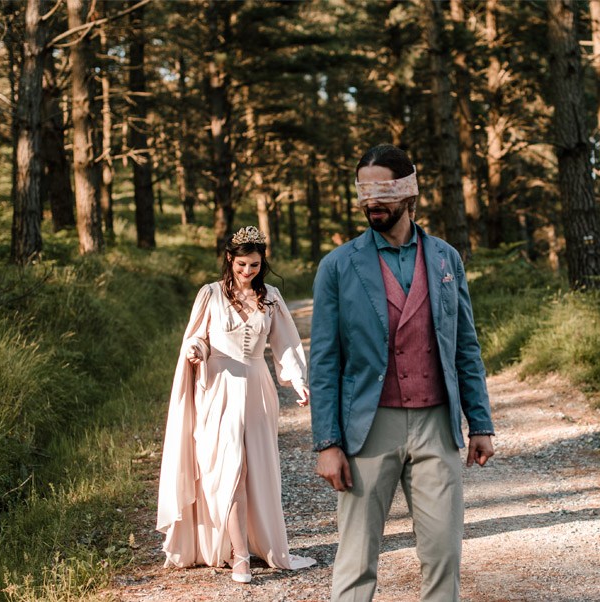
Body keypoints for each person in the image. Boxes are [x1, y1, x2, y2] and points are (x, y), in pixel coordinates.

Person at [310, 144, 495, 601]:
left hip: (436, 424)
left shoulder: (446, 259)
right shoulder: (337, 266)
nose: (372, 201)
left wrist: (481, 423)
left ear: (409, 194)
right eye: (364, 191)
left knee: (443, 556)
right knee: (356, 559)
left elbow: (464, 346)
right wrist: (328, 443)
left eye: (383, 190)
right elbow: (325, 362)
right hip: (368, 429)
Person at [156, 226, 315, 584]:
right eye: (242, 264)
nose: (248, 271)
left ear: (263, 263)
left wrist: (298, 381)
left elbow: (286, 344)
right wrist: (196, 348)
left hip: (258, 390)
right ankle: (238, 555)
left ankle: (253, 547)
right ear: (230, 259)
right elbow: (196, 335)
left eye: (255, 265)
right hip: (218, 390)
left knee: (256, 469)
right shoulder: (210, 295)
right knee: (229, 470)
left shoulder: (271, 297)